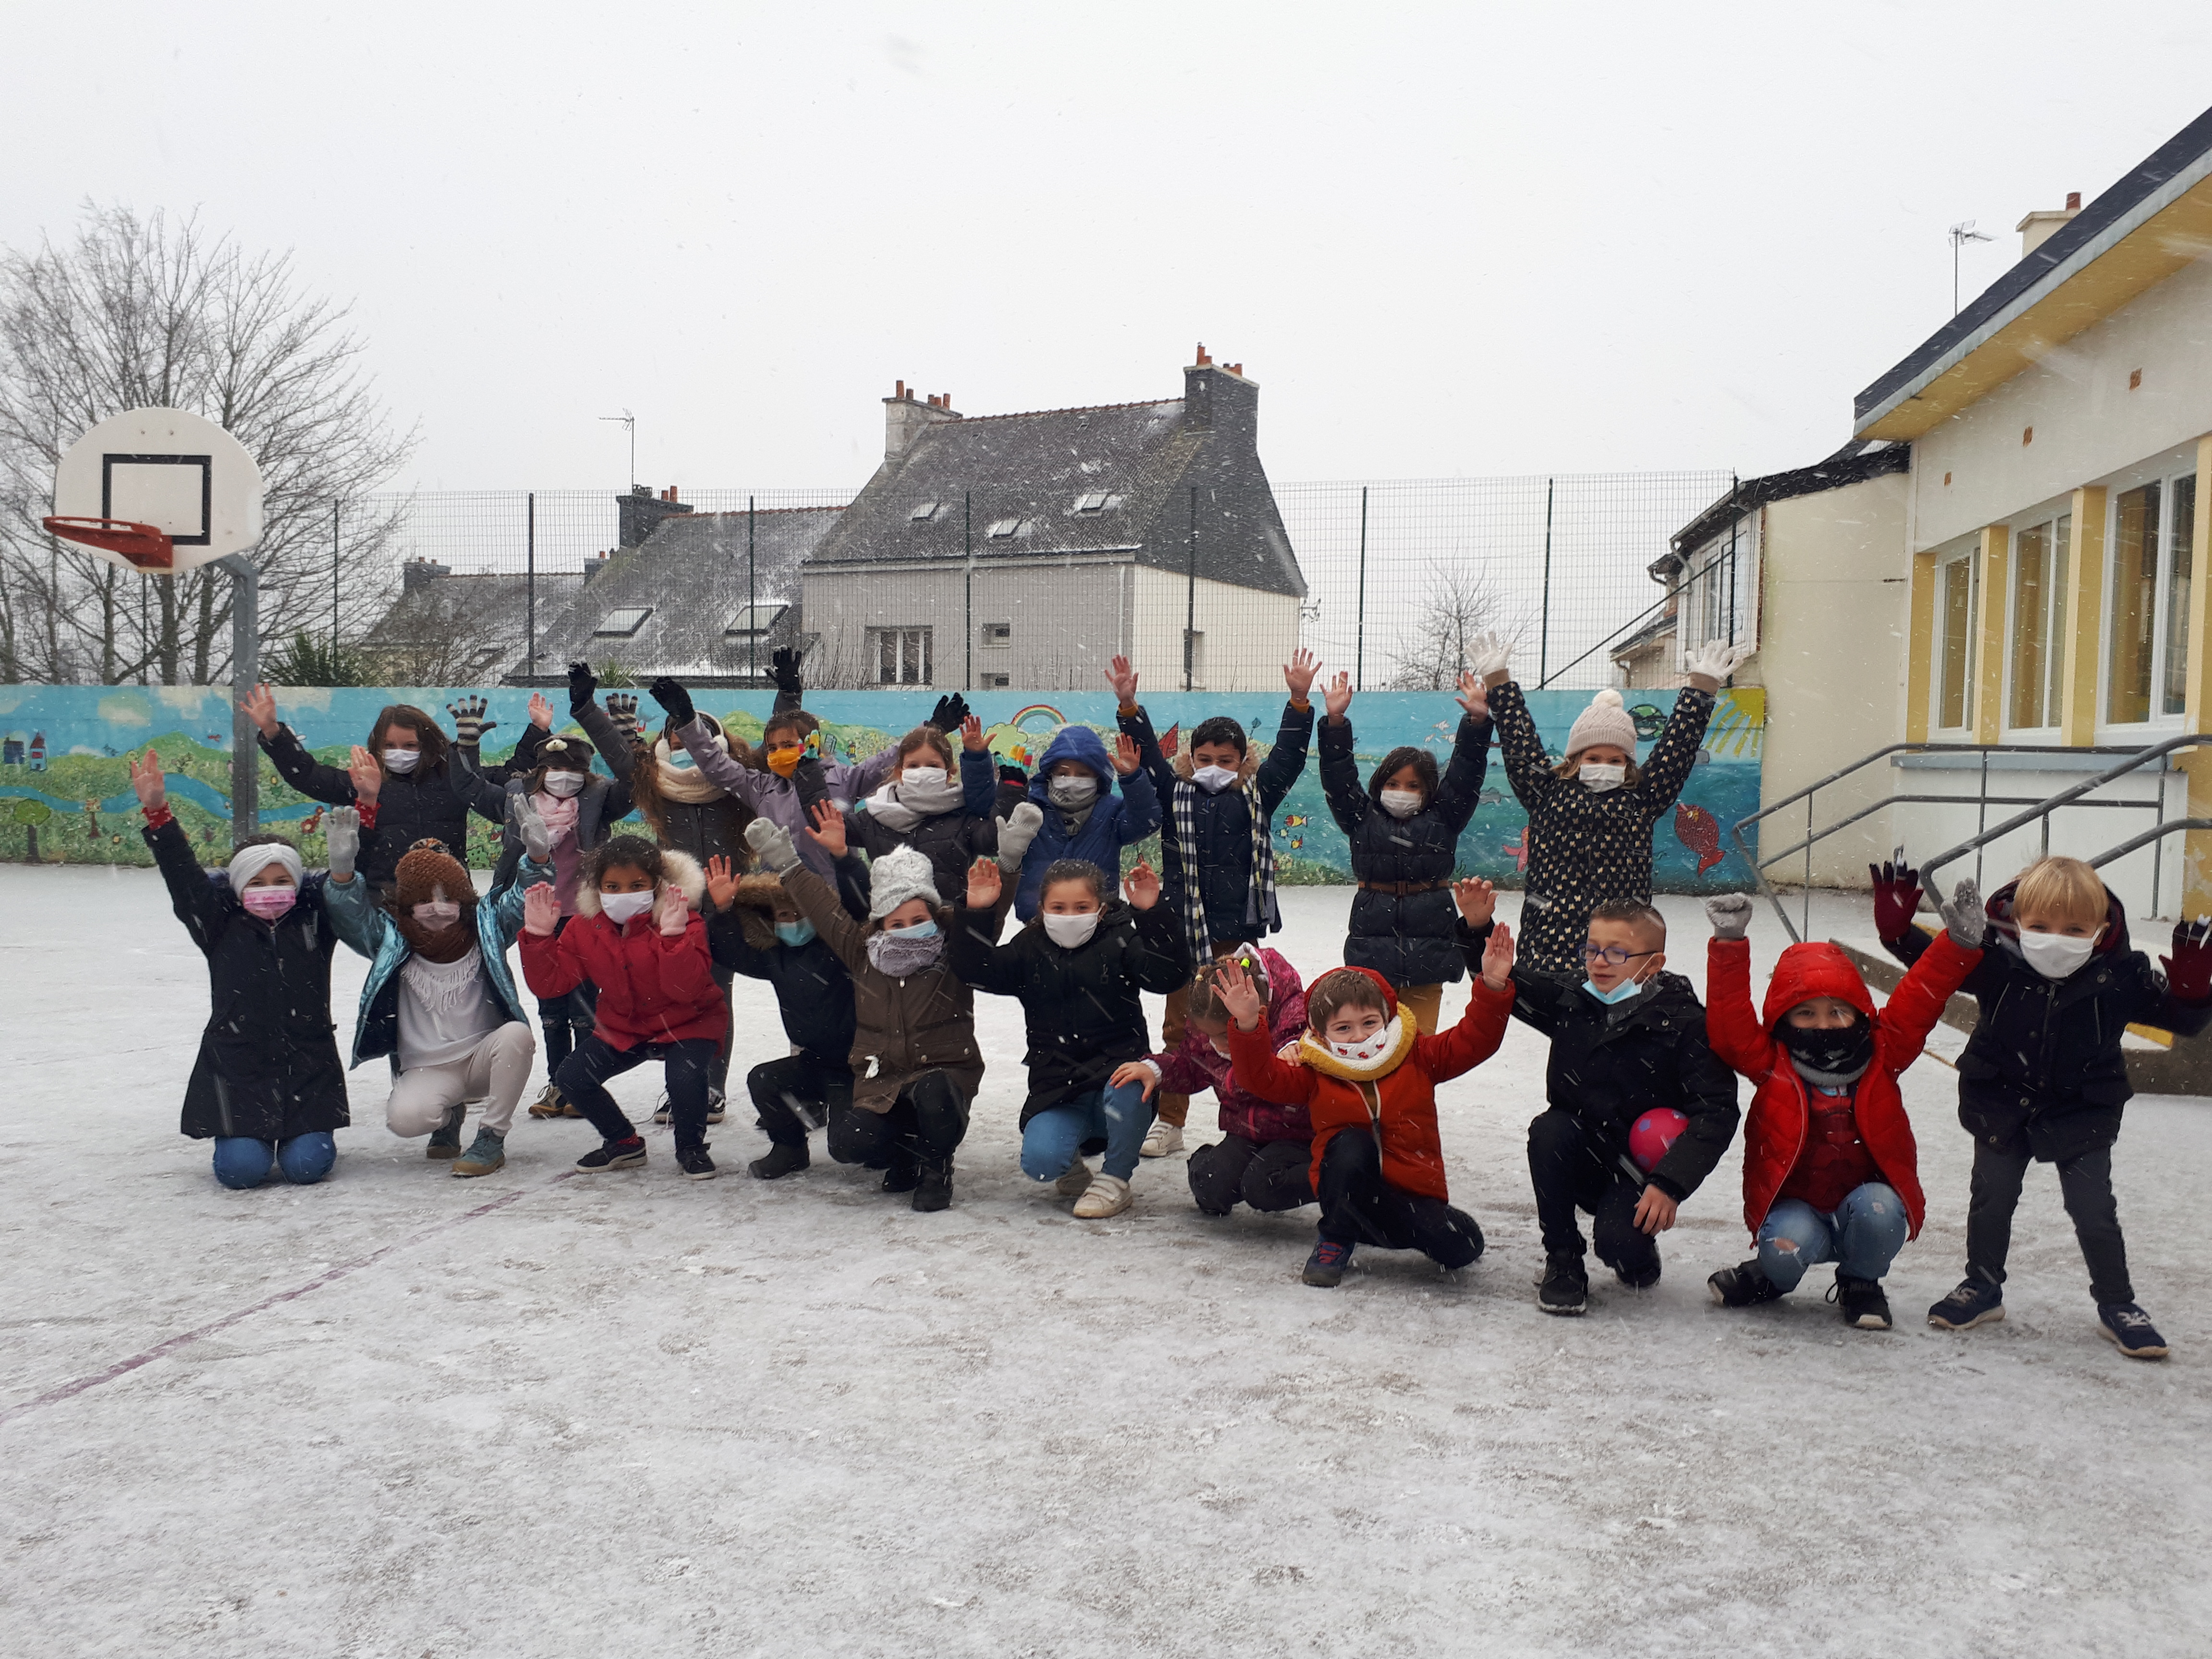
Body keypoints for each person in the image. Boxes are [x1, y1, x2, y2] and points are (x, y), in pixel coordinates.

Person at [1873, 855, 2212, 1359]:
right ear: (2017, 924)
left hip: (2083, 1107)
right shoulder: (1994, 962)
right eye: (2041, 926)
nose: (2057, 938)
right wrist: (1898, 931)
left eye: (2075, 928)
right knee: (1993, 1198)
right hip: (2002, 1099)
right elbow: (1935, 965)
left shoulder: (2122, 976)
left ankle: (2118, 1304)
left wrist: (2193, 989)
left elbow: (2182, 1023)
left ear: (2100, 930)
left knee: (2093, 1208)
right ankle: (1982, 1287)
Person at [1700, 884, 1987, 1330]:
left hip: (1866, 1200)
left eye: (1838, 1011)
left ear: (1859, 1014)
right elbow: (1728, 1026)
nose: (1823, 1023)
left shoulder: (1884, 1051)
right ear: (1784, 1018)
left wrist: (1959, 945)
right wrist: (1729, 945)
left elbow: (1920, 997)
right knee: (1785, 1251)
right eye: (1806, 1013)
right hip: (1796, 1205)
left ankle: (1861, 1281)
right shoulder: (1771, 1062)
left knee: (1881, 1212)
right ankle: (1771, 1277)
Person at [1455, 884, 1739, 1315]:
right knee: (1549, 1130)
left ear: (1655, 964)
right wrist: (1478, 928)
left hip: (1639, 1171)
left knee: (1621, 1247)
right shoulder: (1575, 998)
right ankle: (1563, 1260)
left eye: (1617, 953)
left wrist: (1669, 1184)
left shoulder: (1685, 1023)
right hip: (1579, 1151)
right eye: (1592, 950)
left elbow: (1716, 1111)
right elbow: (1503, 980)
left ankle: (1634, 1252)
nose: (1600, 962)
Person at [1111, 649, 1319, 1156]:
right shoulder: (1172, 793)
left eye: (1226, 761)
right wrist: (1129, 708)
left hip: (1235, 933)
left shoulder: (1256, 795)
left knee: (1245, 1024)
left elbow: (1288, 759)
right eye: (1204, 760)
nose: (1214, 769)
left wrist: (1298, 703)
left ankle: (1257, 1110)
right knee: (1182, 1026)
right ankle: (1171, 1121)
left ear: (1243, 763)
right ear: (1190, 760)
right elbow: (1150, 759)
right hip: (1186, 930)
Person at [1217, 941, 1516, 1288]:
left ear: (1387, 1018)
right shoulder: (1316, 1070)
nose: (1359, 1036)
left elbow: (1475, 1040)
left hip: (1410, 1194)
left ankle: (1365, 1224)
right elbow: (1261, 1078)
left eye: (1369, 1023)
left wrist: (1492, 987)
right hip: (1346, 1187)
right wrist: (1248, 1022)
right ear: (1320, 1034)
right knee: (1350, 1143)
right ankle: (1336, 1235)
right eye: (1344, 1028)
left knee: (1463, 1246)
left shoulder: (1417, 1055)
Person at [130, 747, 364, 1190]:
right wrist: (158, 813)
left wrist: (362, 827)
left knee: (307, 1168)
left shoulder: (317, 918)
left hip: (307, 1069)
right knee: (241, 1172)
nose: (269, 891)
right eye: (256, 883)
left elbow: (351, 881)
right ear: (238, 889)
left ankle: (306, 1134)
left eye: (281, 881)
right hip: (239, 1070)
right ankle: (244, 1138)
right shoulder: (217, 924)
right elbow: (183, 877)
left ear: (297, 884)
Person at [565, 659, 774, 1120]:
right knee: (679, 997)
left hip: (727, 902)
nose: (682, 749)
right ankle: (684, 1086)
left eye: (691, 740)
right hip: (672, 909)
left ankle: (710, 1089)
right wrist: (585, 706)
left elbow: (775, 753)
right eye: (674, 741)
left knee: (716, 993)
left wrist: (790, 696)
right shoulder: (654, 782)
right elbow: (619, 754)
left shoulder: (735, 780)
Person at [745, 819, 982, 1213]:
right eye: (896, 922)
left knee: (935, 1091)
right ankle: (904, 1153)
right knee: (847, 1145)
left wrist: (1008, 864)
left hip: (940, 1074)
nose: (908, 929)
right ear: (881, 924)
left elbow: (989, 913)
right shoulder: (863, 952)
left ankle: (936, 1168)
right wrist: (787, 862)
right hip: (881, 1079)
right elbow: (824, 909)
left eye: (918, 919)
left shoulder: (952, 950)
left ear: (935, 915)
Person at [1477, 636, 1747, 979]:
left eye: (1615, 759)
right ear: (1575, 760)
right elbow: (1520, 742)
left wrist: (1702, 689)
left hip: (1623, 953)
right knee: (1564, 1029)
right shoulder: (1545, 794)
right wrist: (1498, 681)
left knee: (1621, 1028)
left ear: (1628, 763)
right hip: (1551, 950)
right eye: (1593, 758)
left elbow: (1676, 751)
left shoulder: (1642, 799)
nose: (1603, 765)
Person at [950, 855, 1188, 1219]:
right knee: (1041, 1165)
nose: (1070, 915)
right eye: (1058, 907)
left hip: (1119, 1075)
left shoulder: (1121, 937)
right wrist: (977, 910)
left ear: (1101, 909)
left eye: (1082, 907)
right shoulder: (1030, 946)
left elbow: (1169, 976)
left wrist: (1152, 913)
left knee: (1129, 1083)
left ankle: (1116, 1178)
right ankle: (1071, 1164)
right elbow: (976, 970)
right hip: (1059, 1083)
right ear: (1042, 909)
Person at [325, 809, 554, 1178]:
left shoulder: (487, 928)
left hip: (483, 1057)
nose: (437, 908)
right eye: (423, 900)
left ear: (463, 899)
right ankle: (446, 1116)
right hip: (427, 1066)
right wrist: (341, 872)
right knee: (405, 1121)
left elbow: (521, 900)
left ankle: (491, 1137)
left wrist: (538, 858)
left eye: (447, 898)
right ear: (405, 904)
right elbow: (351, 918)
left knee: (517, 1035)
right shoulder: (390, 939)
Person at [519, 835, 729, 1179]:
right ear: (597, 887)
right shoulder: (585, 927)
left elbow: (684, 990)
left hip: (689, 1022)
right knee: (571, 1077)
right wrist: (539, 938)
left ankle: (690, 1147)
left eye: (636, 885)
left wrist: (674, 938)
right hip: (625, 1025)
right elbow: (551, 985)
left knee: (684, 1077)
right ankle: (624, 1143)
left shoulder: (683, 920)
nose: (623, 894)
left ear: (656, 884)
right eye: (612, 886)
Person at [460, 729, 633, 1111]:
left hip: (586, 917)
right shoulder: (517, 800)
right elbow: (469, 788)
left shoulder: (598, 798)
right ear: (541, 769)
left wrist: (624, 736)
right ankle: (559, 1086)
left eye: (573, 768)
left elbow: (633, 785)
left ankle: (583, 1085)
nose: (563, 775)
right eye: (554, 767)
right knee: (551, 1009)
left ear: (586, 772)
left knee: (586, 1009)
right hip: (538, 917)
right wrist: (468, 744)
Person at [1318, 667, 1492, 1034]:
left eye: (1413, 785)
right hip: (1371, 951)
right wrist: (1335, 723)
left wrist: (1477, 723)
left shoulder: (1445, 817)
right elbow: (1339, 775)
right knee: (1371, 1041)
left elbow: (1465, 774)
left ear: (1429, 790)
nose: (1402, 790)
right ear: (1380, 784)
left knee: (1420, 1046)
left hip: (1429, 952)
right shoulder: (1361, 817)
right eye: (1393, 782)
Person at [646, 670, 941, 881]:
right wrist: (688, 720)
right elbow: (714, 763)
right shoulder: (759, 786)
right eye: (773, 747)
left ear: (811, 743)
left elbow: (891, 757)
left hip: (834, 892)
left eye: (788, 745)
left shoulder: (846, 778)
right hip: (781, 895)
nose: (778, 753)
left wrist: (933, 729)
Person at [1111, 946, 1316, 1217]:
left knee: (1263, 1186)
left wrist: (1292, 1050)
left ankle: (1329, 1177)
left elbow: (1298, 1056)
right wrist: (1155, 1069)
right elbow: (1190, 1064)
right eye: (1208, 1036)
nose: (1215, 1045)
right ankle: (1210, 1164)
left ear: (1259, 1015)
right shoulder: (1210, 1039)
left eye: (1223, 1035)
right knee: (1212, 1188)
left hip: (1298, 1135)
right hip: (1246, 1132)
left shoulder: (1294, 1030)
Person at [240, 685, 510, 889]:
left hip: (450, 896)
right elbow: (307, 775)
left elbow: (508, 781)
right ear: (377, 746)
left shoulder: (453, 780)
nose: (399, 753)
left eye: (410, 746)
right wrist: (275, 734)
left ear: (427, 746)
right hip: (386, 898)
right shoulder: (363, 782)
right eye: (389, 746)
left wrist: (538, 734)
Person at [701, 845, 861, 1181]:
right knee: (764, 1080)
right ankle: (789, 1149)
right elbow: (731, 952)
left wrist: (844, 860)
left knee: (850, 1146)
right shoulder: (775, 958)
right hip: (815, 1062)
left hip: (858, 1065)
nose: (791, 923)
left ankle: (904, 1150)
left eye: (799, 915)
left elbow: (857, 909)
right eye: (783, 917)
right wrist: (725, 909)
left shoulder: (840, 949)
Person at [841, 715, 1023, 906]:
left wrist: (1011, 790)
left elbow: (995, 841)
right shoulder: (875, 816)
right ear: (900, 772)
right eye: (913, 765)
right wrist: (809, 769)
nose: (922, 771)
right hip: (891, 925)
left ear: (949, 773)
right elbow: (824, 825)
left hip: (949, 925)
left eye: (933, 766)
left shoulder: (962, 817)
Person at [1009, 720, 1157, 919]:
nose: (1072, 780)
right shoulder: (1031, 809)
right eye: (1063, 773)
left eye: (1083, 774)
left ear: (1097, 777)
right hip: (1039, 919)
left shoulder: (1112, 811)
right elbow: (998, 826)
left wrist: (1132, 778)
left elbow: (1146, 821)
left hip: (1098, 920)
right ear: (1049, 775)